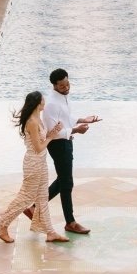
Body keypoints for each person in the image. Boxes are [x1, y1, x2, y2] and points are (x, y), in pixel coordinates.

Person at [0, 91, 68, 244]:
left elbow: (42, 140)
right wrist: (51, 137)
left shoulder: (38, 119)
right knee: (26, 197)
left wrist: (52, 131)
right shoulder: (32, 122)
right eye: (43, 100)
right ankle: (2, 224)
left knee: (42, 198)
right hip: (33, 164)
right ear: (37, 104)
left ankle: (50, 232)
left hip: (41, 163)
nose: (45, 102)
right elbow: (39, 147)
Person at [42, 67, 99, 235]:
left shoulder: (63, 97)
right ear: (54, 86)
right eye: (62, 86)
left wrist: (83, 119)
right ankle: (70, 222)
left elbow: (65, 118)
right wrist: (76, 130)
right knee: (66, 182)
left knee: (64, 181)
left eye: (67, 84)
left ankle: (36, 207)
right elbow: (52, 132)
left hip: (66, 142)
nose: (66, 88)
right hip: (58, 144)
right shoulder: (51, 104)